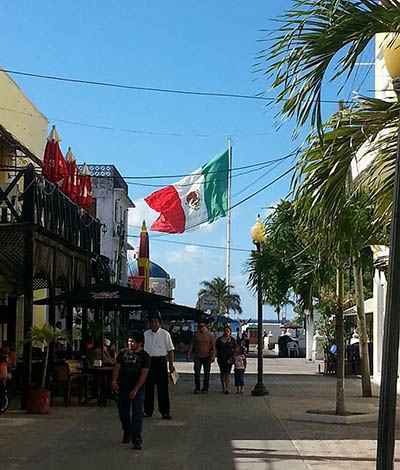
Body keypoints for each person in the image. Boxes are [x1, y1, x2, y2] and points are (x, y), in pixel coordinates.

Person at [112, 331, 150, 450]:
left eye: (133, 342)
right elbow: (117, 368)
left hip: (136, 388)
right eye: (129, 341)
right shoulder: (123, 353)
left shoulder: (145, 356)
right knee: (123, 412)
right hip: (123, 387)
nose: (130, 344)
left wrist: (135, 390)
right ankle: (126, 431)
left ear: (139, 343)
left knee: (137, 413)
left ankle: (137, 438)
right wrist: (114, 381)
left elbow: (143, 375)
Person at [143, 309, 175, 419]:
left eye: (156, 321)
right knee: (148, 388)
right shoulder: (145, 334)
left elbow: (170, 350)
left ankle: (165, 411)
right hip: (149, 361)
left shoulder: (165, 334)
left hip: (160, 362)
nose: (153, 324)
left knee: (163, 389)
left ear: (159, 322)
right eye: (151, 322)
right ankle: (147, 411)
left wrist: (171, 364)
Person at [187, 322, 216, 394]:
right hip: (197, 356)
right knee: (197, 372)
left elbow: (213, 346)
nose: (201, 328)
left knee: (207, 373)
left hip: (207, 356)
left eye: (202, 326)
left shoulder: (210, 335)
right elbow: (192, 344)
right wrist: (189, 354)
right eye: (199, 326)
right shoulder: (195, 335)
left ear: (205, 326)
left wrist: (213, 356)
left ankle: (205, 388)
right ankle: (197, 388)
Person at [216, 325, 236, 394]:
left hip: (229, 359)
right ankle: (223, 387)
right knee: (222, 373)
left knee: (227, 373)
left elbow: (235, 349)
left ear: (230, 332)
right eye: (225, 331)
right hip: (221, 358)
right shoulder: (219, 340)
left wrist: (233, 357)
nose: (226, 332)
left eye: (228, 331)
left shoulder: (232, 340)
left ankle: (227, 387)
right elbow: (216, 348)